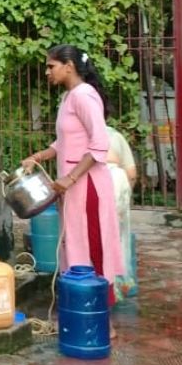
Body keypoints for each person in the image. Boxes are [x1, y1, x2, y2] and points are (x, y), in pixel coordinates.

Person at [21, 45, 131, 309]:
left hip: (88, 186)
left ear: (69, 66)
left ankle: (101, 315)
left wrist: (69, 179)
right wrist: (39, 156)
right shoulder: (68, 97)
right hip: (71, 187)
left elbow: (99, 144)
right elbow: (63, 143)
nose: (47, 72)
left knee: (93, 247)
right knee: (74, 244)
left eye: (51, 66)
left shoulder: (84, 95)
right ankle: (81, 309)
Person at [106, 126, 137, 294]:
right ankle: (119, 285)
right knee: (119, 237)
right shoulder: (116, 136)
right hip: (119, 182)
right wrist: (124, 200)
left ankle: (102, 285)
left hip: (98, 182)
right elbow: (132, 173)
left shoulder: (81, 134)